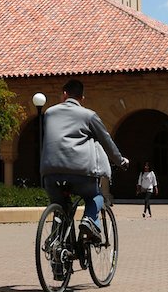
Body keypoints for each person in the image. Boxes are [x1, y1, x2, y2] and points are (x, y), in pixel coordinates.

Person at [40, 78, 128, 244]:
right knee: (95, 195)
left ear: (64, 95)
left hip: (50, 173)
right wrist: (120, 161)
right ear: (82, 98)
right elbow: (106, 141)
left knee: (60, 207)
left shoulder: (49, 113)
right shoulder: (88, 115)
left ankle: (57, 249)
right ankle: (89, 221)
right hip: (81, 173)